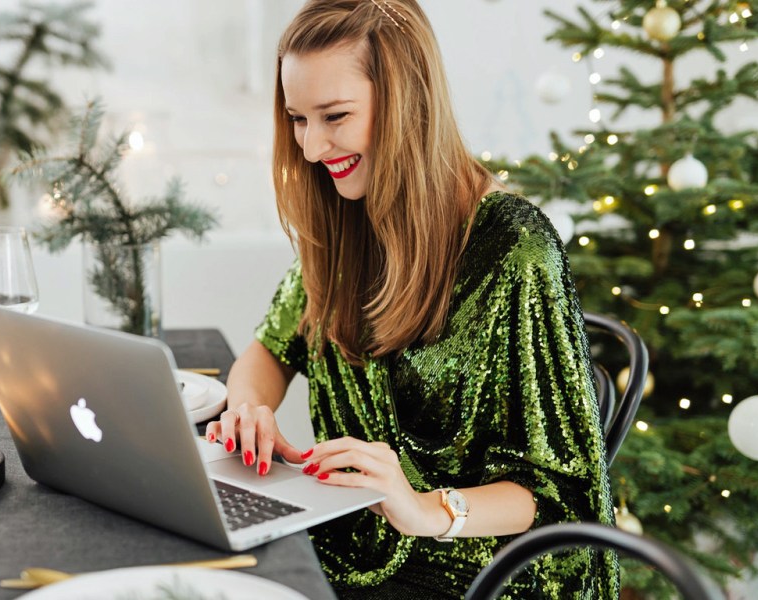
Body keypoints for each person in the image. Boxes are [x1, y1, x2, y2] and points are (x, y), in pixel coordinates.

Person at [205, 0, 619, 597]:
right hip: (352, 536)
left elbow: (559, 495)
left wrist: (426, 508)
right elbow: (269, 352)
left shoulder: (513, 248)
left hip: (477, 569)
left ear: (407, 104)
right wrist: (249, 410)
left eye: (335, 116)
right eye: (298, 118)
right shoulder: (347, 222)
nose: (313, 148)